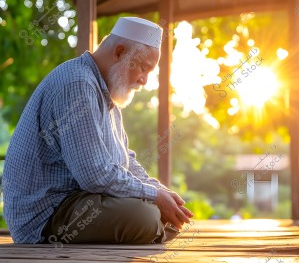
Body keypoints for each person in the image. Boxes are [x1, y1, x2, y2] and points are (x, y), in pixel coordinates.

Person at [3, 16, 193, 245]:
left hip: (80, 200)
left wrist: (159, 191)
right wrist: (153, 197)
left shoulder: (108, 96)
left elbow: (126, 162)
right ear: (120, 52)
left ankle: (153, 227)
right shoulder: (77, 83)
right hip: (47, 215)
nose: (144, 80)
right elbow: (94, 175)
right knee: (145, 216)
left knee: (166, 213)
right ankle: (151, 228)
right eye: (144, 68)